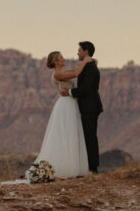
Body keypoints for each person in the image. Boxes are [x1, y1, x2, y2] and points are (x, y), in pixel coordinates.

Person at [31, 50, 95, 178]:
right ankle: (65, 167)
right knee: (66, 134)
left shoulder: (61, 72)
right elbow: (76, 73)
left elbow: (75, 72)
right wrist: (86, 61)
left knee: (71, 133)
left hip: (70, 103)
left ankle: (72, 165)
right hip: (66, 105)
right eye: (61, 58)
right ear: (56, 61)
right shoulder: (58, 74)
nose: (64, 59)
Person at [61, 41, 103, 173]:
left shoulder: (90, 67)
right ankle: (88, 167)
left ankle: (93, 168)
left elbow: (86, 88)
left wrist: (70, 92)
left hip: (90, 107)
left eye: (79, 50)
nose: (77, 52)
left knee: (90, 137)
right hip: (86, 107)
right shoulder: (89, 66)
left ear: (86, 52)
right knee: (87, 136)